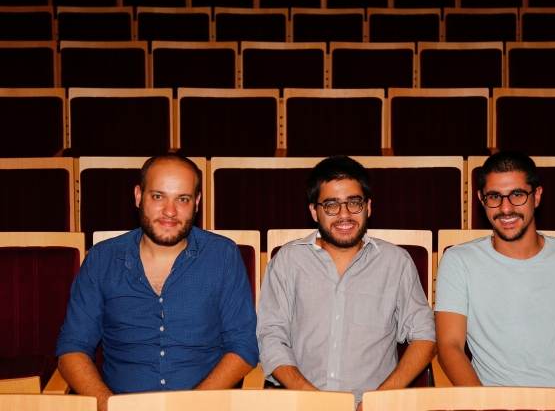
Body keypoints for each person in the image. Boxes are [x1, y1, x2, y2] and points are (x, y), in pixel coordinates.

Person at [56, 154, 258, 411]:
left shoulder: (223, 256)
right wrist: (108, 406)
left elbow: (243, 346)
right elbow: (72, 348)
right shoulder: (101, 259)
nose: (170, 211)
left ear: (196, 203)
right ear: (139, 196)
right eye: (158, 196)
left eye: (182, 199)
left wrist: (192, 405)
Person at [435, 151, 555, 411]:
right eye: (494, 197)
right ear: (481, 200)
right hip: (494, 405)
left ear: (536, 196)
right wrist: (482, 403)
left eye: (517, 195)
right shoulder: (458, 261)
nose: (506, 208)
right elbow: (449, 345)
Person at [256, 155, 436, 409]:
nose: (344, 215)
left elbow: (425, 337)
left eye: (354, 203)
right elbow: (270, 337)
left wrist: (378, 401)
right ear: (314, 211)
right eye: (331, 205)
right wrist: (313, 400)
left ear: (368, 207)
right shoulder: (288, 261)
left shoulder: (395, 262)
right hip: (302, 403)